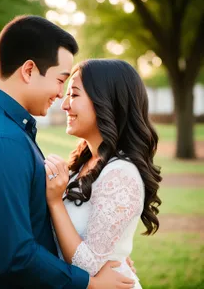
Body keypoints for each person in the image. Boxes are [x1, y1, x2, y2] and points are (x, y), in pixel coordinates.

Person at [0, 16, 136, 288]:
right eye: (60, 80)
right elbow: (16, 256)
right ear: (29, 70)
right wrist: (90, 283)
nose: (60, 95)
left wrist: (108, 258)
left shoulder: (0, 126)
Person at [45, 59, 162, 289]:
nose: (64, 105)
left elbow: (87, 267)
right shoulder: (85, 162)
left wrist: (55, 202)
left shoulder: (121, 175)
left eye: (74, 95)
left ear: (106, 102)